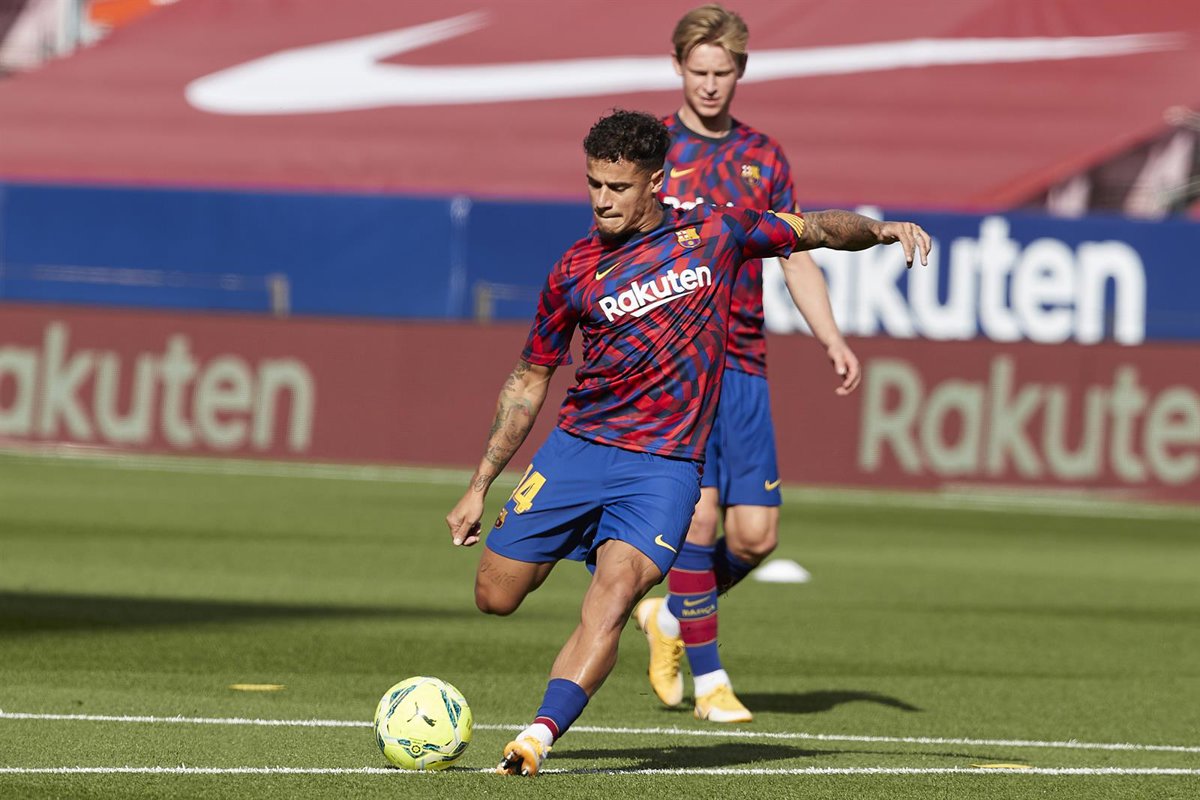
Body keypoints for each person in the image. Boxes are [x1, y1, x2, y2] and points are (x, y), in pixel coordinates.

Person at [445, 108, 929, 777]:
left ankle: (537, 737)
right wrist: (479, 486)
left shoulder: (716, 230)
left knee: (614, 596)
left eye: (618, 187)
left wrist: (881, 230)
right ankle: (575, 544)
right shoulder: (574, 269)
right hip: (578, 448)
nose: (602, 200)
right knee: (495, 596)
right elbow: (530, 379)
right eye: (593, 184)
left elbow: (813, 229)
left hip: (664, 467)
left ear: (654, 182)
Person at [635, 2, 861, 724]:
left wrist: (830, 337)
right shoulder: (650, 149)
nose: (709, 85)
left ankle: (670, 616)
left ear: (740, 72)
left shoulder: (764, 156)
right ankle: (713, 684)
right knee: (698, 518)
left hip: (744, 361)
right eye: (698, 71)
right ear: (678, 67)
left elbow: (795, 255)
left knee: (756, 537)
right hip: (675, 364)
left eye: (722, 72)